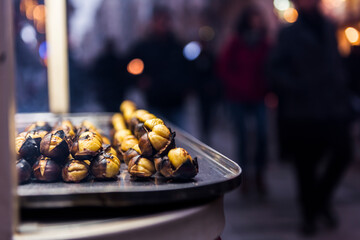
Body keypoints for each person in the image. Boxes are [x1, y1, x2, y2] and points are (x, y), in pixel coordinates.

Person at [269, 0, 353, 236]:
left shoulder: (329, 27)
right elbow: (275, 70)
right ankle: (309, 215)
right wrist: (298, 87)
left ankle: (320, 200)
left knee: (343, 154)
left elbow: (336, 64)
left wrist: (343, 92)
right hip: (303, 113)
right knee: (305, 167)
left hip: (332, 108)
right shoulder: (289, 34)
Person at [217, 6, 270, 194]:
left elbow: (269, 66)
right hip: (238, 97)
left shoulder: (264, 43)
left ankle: (260, 174)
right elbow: (224, 68)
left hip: (258, 96)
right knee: (242, 137)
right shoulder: (235, 42)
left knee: (263, 135)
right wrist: (236, 85)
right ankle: (244, 176)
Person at [128, 6, 190, 127]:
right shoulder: (143, 47)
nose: (163, 24)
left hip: (177, 102)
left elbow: (188, 68)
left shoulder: (177, 46)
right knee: (156, 137)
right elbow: (131, 67)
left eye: (166, 20)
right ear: (153, 22)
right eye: (159, 21)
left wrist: (186, 86)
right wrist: (140, 80)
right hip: (155, 101)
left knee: (181, 138)